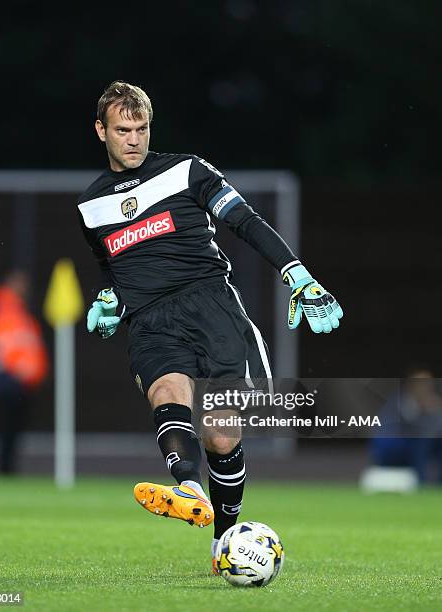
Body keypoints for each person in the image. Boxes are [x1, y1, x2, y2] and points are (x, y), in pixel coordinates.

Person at [77, 80, 343, 572]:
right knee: (167, 392)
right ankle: (188, 488)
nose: (133, 139)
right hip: (151, 321)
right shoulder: (90, 207)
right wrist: (108, 297)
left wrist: (296, 275)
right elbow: (110, 263)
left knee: (221, 436)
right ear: (101, 131)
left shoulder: (185, 170)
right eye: (122, 130)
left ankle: (224, 537)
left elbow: (245, 220)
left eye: (141, 129)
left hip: (210, 306)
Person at [0, 270, 49, 474]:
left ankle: (7, 469)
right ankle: (4, 470)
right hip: (9, 381)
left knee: (13, 429)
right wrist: (20, 369)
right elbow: (4, 345)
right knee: (7, 428)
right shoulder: (5, 312)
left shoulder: (17, 312)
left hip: (19, 382)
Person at [370, 366, 442, 483]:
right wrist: (420, 410)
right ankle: (420, 484)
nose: (425, 387)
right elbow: (396, 429)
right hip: (395, 447)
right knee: (420, 443)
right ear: (411, 384)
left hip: (424, 444)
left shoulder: (434, 404)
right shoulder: (399, 403)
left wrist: (437, 411)